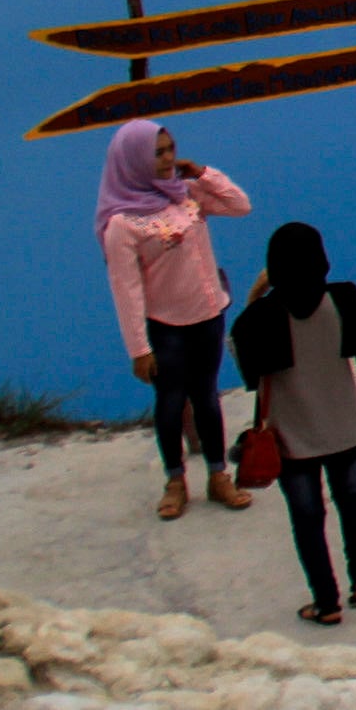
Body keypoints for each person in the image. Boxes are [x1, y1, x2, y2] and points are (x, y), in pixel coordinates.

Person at [232, 221, 356, 626]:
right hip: (346, 427)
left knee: (307, 520)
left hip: (293, 439)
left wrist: (256, 295)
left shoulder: (263, 317)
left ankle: (326, 603)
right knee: (353, 503)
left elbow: (247, 369)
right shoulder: (345, 298)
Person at [96, 117, 253, 521]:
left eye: (169, 149)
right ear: (132, 161)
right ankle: (174, 480)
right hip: (167, 326)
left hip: (208, 314)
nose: (167, 159)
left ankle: (219, 476)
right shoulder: (123, 224)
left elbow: (239, 205)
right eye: (157, 153)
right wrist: (138, 349)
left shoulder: (186, 194)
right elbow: (126, 289)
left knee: (207, 398)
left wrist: (202, 173)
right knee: (169, 402)